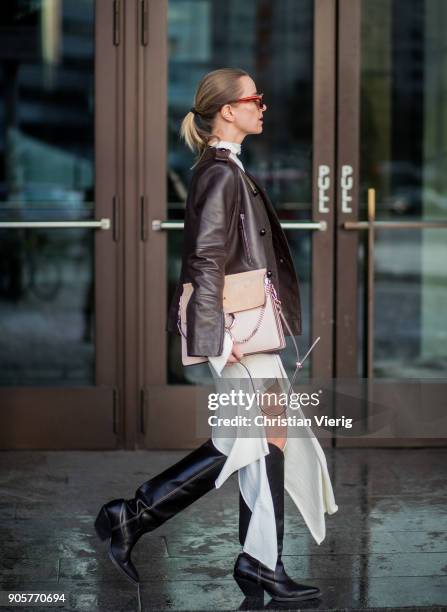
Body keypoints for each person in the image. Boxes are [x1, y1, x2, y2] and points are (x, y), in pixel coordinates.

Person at [94, 67, 337, 604]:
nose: (263, 106)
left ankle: (252, 559)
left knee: (266, 439)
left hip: (246, 332)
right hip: (237, 335)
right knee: (248, 442)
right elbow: (204, 259)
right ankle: (138, 518)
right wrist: (216, 339)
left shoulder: (227, 169)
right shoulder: (220, 173)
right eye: (255, 98)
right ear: (227, 110)